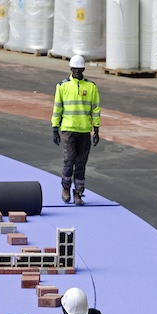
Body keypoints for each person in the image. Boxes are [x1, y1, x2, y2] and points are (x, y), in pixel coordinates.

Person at [51, 55, 101, 206]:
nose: (78, 72)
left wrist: (96, 129)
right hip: (68, 129)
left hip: (84, 131)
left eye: (80, 70)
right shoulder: (62, 86)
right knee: (69, 160)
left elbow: (96, 109)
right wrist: (55, 127)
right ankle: (65, 188)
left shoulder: (91, 87)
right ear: (70, 69)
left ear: (83, 69)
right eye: (75, 69)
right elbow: (57, 107)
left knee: (81, 163)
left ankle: (78, 192)